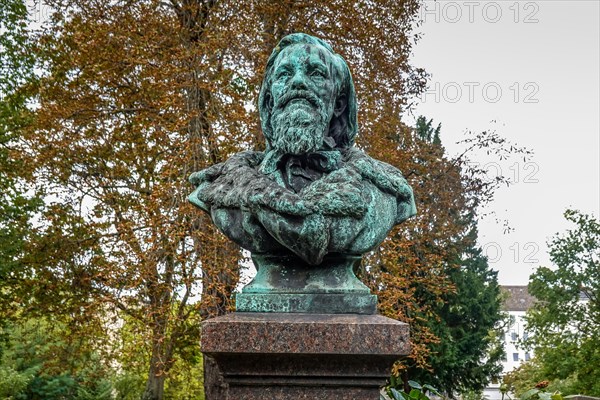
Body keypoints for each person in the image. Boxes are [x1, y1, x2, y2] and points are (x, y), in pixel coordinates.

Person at [189, 33, 416, 266]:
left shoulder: (383, 188)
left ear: (338, 103)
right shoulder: (224, 187)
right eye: (284, 74)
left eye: (315, 73)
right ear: (269, 101)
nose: (298, 82)